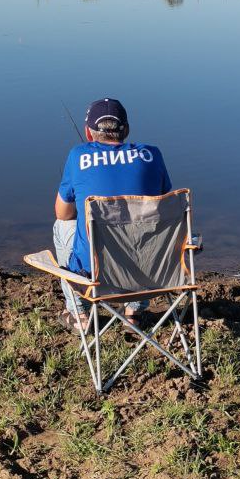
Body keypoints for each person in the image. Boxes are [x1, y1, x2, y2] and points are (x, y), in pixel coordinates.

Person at [54, 97, 172, 331]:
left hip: (95, 277)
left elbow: (63, 212)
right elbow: (165, 208)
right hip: (148, 275)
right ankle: (133, 313)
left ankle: (79, 314)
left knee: (63, 225)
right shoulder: (152, 155)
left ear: (88, 133)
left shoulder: (78, 155)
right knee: (147, 225)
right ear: (126, 130)